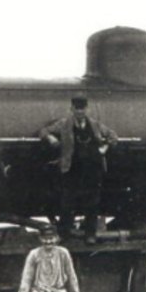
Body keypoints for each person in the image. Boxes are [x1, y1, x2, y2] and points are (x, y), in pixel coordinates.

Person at [39, 95, 118, 244]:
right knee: (67, 203)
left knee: (92, 204)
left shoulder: (95, 125)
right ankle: (65, 234)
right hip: (72, 170)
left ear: (87, 109)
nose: (80, 111)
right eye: (77, 108)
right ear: (72, 109)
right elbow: (43, 131)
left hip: (93, 170)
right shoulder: (64, 124)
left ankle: (90, 235)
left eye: (82, 108)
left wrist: (105, 148)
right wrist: (50, 138)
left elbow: (113, 136)